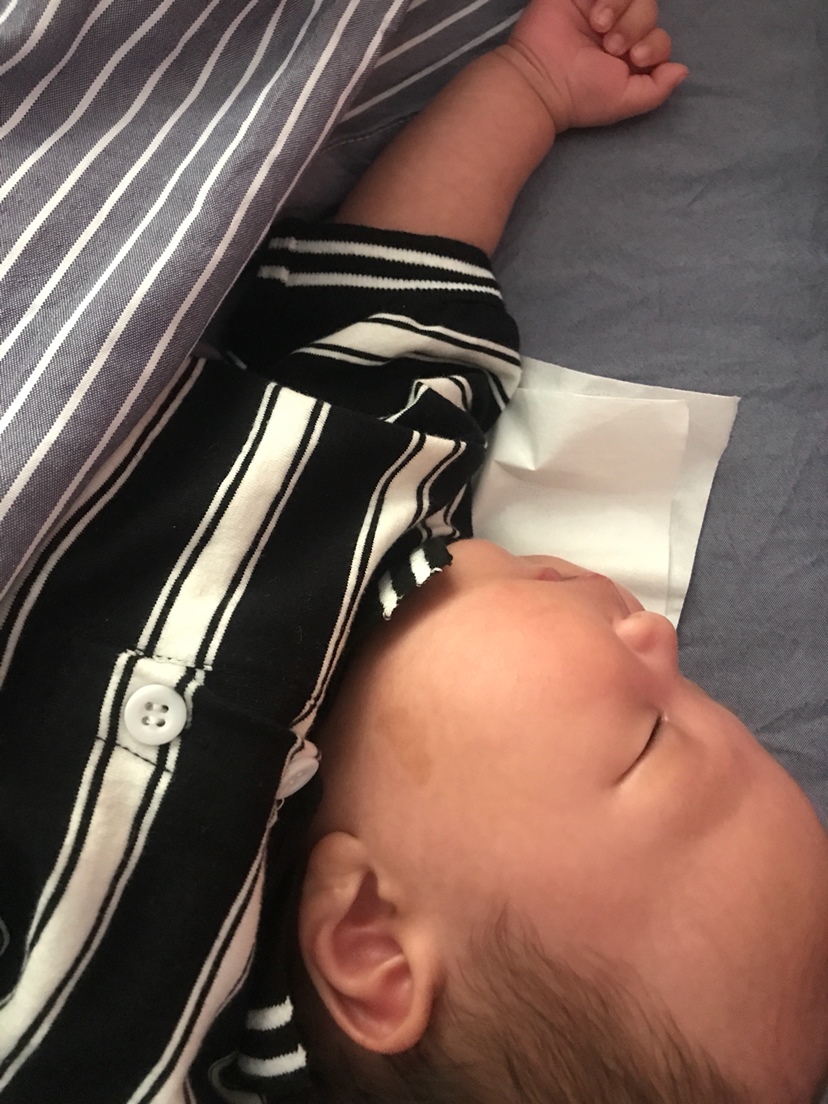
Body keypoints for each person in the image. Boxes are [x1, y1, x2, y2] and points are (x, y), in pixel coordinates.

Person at [0, 2, 826, 1104]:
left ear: (370, 945)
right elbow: (396, 273)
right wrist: (530, 89)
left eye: (650, 736)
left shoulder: (132, 1031)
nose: (661, 639)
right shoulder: (398, 473)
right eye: (707, 695)